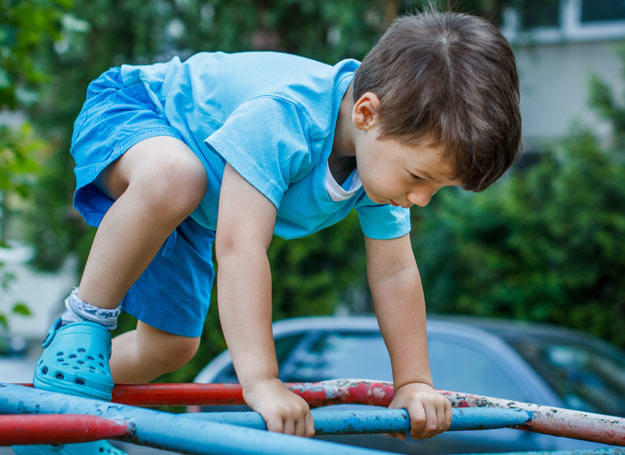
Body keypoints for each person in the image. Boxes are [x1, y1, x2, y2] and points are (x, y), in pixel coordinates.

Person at [16, 7, 521, 455]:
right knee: (177, 176)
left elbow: (394, 272)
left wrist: (412, 381)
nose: (421, 199)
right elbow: (240, 248)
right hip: (136, 112)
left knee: (168, 348)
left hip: (199, 203)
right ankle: (83, 324)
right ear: (367, 113)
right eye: (419, 179)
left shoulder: (383, 155)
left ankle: (58, 414)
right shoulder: (286, 118)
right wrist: (260, 381)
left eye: (438, 188)